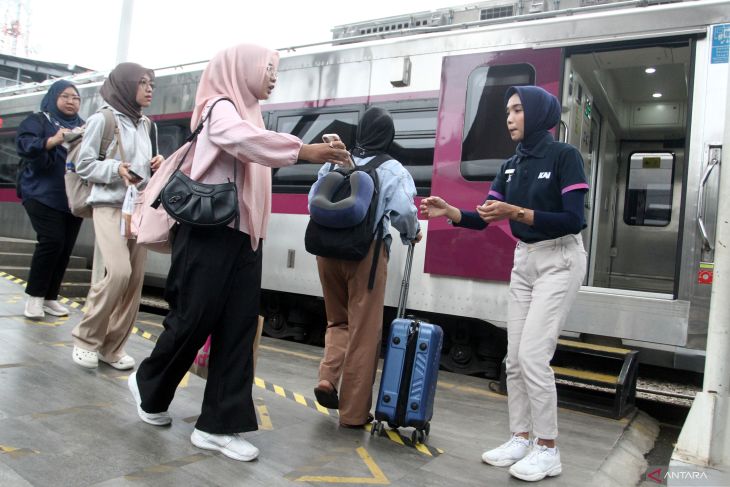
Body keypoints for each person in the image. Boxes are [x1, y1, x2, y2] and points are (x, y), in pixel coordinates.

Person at [128, 43, 351, 462]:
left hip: (245, 237)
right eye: (268, 68)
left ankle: (217, 426)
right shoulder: (219, 106)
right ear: (242, 68)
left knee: (237, 330)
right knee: (192, 321)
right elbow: (237, 140)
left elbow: (254, 142)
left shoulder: (252, 113)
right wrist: (302, 150)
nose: (272, 76)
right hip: (209, 232)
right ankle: (149, 385)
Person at [420, 86, 588, 482]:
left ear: (537, 113)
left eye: (516, 110)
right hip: (525, 262)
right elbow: (484, 217)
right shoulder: (512, 165)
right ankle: (520, 437)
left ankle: (548, 449)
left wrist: (518, 211)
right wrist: (452, 212)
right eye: (507, 111)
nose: (509, 118)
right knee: (513, 358)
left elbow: (573, 219)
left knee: (533, 355)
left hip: (560, 259)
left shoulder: (565, 157)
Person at [311, 107, 421, 428]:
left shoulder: (337, 160)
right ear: (388, 136)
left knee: (338, 320)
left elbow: (313, 201)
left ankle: (328, 379)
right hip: (365, 256)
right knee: (364, 333)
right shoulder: (393, 169)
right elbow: (403, 212)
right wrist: (411, 233)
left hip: (326, 251)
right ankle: (354, 414)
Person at [71, 63, 163, 370]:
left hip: (138, 209)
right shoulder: (104, 119)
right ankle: (86, 338)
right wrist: (115, 169)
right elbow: (83, 165)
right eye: (143, 83)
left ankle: (112, 347)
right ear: (126, 85)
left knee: (135, 280)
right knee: (120, 272)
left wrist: (156, 164)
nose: (149, 88)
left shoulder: (148, 125)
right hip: (109, 205)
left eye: (151, 83)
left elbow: (146, 168)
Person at [16, 80, 85, 320]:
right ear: (53, 97)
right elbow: (24, 144)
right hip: (40, 192)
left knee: (65, 247)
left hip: (72, 196)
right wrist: (53, 140)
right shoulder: (39, 120)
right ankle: (34, 298)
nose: (70, 101)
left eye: (75, 98)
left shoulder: (84, 125)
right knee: (52, 241)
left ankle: (50, 298)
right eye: (65, 96)